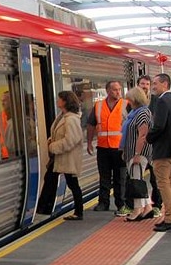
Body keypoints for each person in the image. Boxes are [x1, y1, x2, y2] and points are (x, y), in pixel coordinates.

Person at [37, 91, 84, 219]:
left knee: (72, 184)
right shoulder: (63, 116)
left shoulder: (71, 119)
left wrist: (53, 146)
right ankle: (44, 208)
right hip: (61, 157)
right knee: (50, 179)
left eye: (59, 99)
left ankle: (78, 212)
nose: (57, 101)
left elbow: (71, 140)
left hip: (67, 157)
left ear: (65, 101)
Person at [86, 80, 127, 214]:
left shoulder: (126, 105)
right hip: (103, 148)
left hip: (120, 148)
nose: (118, 92)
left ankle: (121, 203)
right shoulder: (98, 106)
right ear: (108, 91)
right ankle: (103, 203)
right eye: (115, 89)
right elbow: (91, 124)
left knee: (119, 178)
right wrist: (89, 142)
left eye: (119, 89)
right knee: (104, 177)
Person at [147, 73, 171, 232]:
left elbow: (159, 126)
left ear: (165, 84)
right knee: (170, 183)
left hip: (162, 152)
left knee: (163, 184)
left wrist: (149, 138)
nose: (153, 86)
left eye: (155, 83)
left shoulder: (162, 102)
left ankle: (170, 218)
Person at [120, 86, 153, 221]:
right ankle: (147, 207)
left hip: (138, 153)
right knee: (137, 179)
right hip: (132, 151)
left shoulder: (142, 113)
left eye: (130, 100)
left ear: (135, 99)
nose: (128, 102)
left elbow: (142, 135)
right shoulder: (135, 112)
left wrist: (137, 154)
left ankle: (137, 210)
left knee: (136, 180)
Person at [136, 75, 163, 218]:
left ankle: (157, 205)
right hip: (140, 147)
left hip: (153, 146)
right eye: (142, 83)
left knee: (155, 178)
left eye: (147, 83)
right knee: (137, 177)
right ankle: (141, 206)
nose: (145, 86)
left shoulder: (157, 101)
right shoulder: (132, 103)